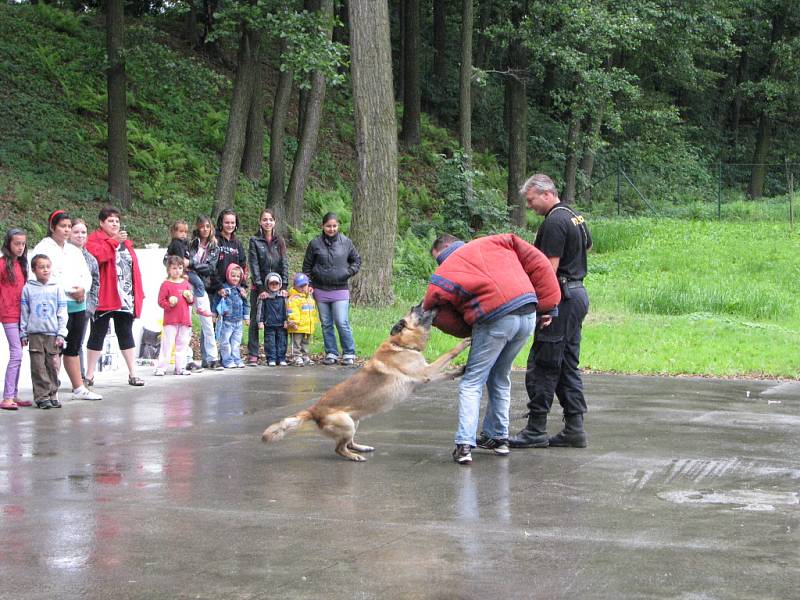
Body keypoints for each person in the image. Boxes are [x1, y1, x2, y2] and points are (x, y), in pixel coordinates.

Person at [422, 233, 560, 465]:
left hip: (495, 318)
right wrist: (549, 306)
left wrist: (469, 329)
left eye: (440, 258)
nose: (441, 263)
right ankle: (499, 438)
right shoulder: (496, 242)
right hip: (527, 312)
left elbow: (434, 311)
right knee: (499, 376)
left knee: (471, 381)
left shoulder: (445, 271)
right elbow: (539, 262)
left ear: (444, 250)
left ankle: (464, 445)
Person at [510, 173, 592, 449]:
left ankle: (535, 429)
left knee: (544, 362)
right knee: (567, 362)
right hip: (577, 294)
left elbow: (548, 268)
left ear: (546, 194)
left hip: (561, 297)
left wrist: (545, 306)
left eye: (531, 200)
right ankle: (574, 428)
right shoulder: (573, 215)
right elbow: (587, 245)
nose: (530, 206)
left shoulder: (555, 221)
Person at [30, 210, 101, 401]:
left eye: (69, 226)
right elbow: (44, 276)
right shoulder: (43, 248)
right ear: (53, 227)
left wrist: (82, 290)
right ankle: (50, 389)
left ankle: (78, 386)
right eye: (63, 226)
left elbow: (86, 275)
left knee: (74, 346)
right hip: (56, 306)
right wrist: (69, 290)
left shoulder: (73, 250)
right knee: (54, 349)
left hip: (77, 303)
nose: (67, 230)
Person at [84, 206, 146, 387]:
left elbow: (132, 267)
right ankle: (89, 374)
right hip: (104, 295)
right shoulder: (94, 240)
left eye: (117, 221)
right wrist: (112, 242)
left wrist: (138, 293)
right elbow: (96, 258)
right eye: (110, 221)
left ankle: (133, 373)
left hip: (125, 297)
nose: (115, 224)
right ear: (101, 223)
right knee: (98, 334)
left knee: (125, 333)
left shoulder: (125, 243)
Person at [302, 212, 360, 366]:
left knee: (342, 321)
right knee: (326, 323)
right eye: (328, 226)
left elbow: (356, 261)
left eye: (334, 226)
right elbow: (307, 266)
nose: (331, 229)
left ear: (338, 226)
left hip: (340, 289)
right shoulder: (315, 244)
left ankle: (349, 352)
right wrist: (309, 284)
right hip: (320, 289)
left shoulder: (346, 242)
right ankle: (331, 352)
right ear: (323, 226)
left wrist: (348, 272)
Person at [20, 255, 68, 409]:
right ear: (34, 270)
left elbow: (62, 311)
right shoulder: (28, 289)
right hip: (35, 334)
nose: (45, 270)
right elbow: (24, 312)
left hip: (52, 334)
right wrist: (23, 333)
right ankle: (41, 397)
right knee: (38, 366)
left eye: (48, 266)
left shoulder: (57, 288)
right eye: (41, 267)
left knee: (52, 365)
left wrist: (61, 333)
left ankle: (53, 393)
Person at [247, 208, 288, 366]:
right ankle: (253, 353)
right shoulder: (255, 240)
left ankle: (279, 354)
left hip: (277, 288)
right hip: (260, 287)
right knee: (256, 318)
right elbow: (254, 264)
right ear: (260, 222)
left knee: (279, 320)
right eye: (264, 219)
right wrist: (261, 288)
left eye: (270, 219)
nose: (267, 222)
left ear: (274, 221)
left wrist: (283, 285)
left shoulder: (280, 240)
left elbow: (284, 264)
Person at [0, 229, 30, 409]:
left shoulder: (22, 264)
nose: (20, 247)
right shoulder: (3, 264)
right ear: (8, 244)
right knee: (16, 353)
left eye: (23, 244)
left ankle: (14, 394)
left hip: (21, 314)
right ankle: (7, 397)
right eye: (16, 244)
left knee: (19, 354)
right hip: (8, 314)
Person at [188, 215, 222, 370]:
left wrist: (191, 264)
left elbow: (210, 268)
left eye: (208, 226)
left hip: (204, 286)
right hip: (186, 284)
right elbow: (169, 259)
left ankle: (212, 358)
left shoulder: (215, 245)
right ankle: (186, 358)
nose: (205, 229)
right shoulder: (189, 242)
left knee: (207, 323)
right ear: (197, 227)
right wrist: (184, 267)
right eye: (202, 226)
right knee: (185, 322)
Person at [68, 218, 99, 382]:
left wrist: (90, 307)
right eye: (76, 232)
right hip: (63, 305)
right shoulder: (62, 255)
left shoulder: (91, 259)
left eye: (83, 232)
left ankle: (79, 378)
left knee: (77, 342)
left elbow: (95, 285)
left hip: (82, 307)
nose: (80, 235)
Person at [154, 256, 195, 376]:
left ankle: (180, 368)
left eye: (180, 268)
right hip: (170, 320)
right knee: (167, 344)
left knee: (182, 344)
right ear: (169, 270)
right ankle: (161, 367)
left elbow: (191, 302)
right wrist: (169, 303)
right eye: (174, 268)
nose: (177, 271)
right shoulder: (166, 284)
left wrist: (189, 298)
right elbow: (161, 301)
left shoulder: (186, 283)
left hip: (184, 319)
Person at [216, 264, 249, 369]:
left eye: (238, 276)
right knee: (225, 342)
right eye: (233, 275)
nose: (235, 278)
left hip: (238, 322)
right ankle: (227, 360)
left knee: (236, 343)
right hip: (227, 321)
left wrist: (246, 317)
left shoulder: (240, 290)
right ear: (227, 275)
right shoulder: (224, 289)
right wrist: (214, 313)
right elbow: (217, 301)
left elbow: (245, 304)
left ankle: (236, 359)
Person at [286, 272, 317, 366]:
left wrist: (312, 323)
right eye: (300, 286)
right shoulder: (294, 298)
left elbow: (312, 311)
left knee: (305, 343)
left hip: (307, 326)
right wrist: (293, 322)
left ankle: (305, 355)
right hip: (297, 327)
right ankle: (296, 356)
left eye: (305, 285)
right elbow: (292, 311)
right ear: (295, 286)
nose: (303, 288)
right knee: (296, 343)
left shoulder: (309, 297)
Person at [257, 272, 288, 366]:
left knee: (282, 342)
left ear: (280, 285)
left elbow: (287, 309)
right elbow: (260, 310)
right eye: (272, 283)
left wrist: (287, 320)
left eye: (276, 283)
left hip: (282, 324)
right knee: (270, 342)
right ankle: (271, 358)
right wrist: (260, 321)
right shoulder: (264, 297)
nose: (274, 285)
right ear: (267, 284)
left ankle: (281, 358)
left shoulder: (283, 297)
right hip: (269, 324)